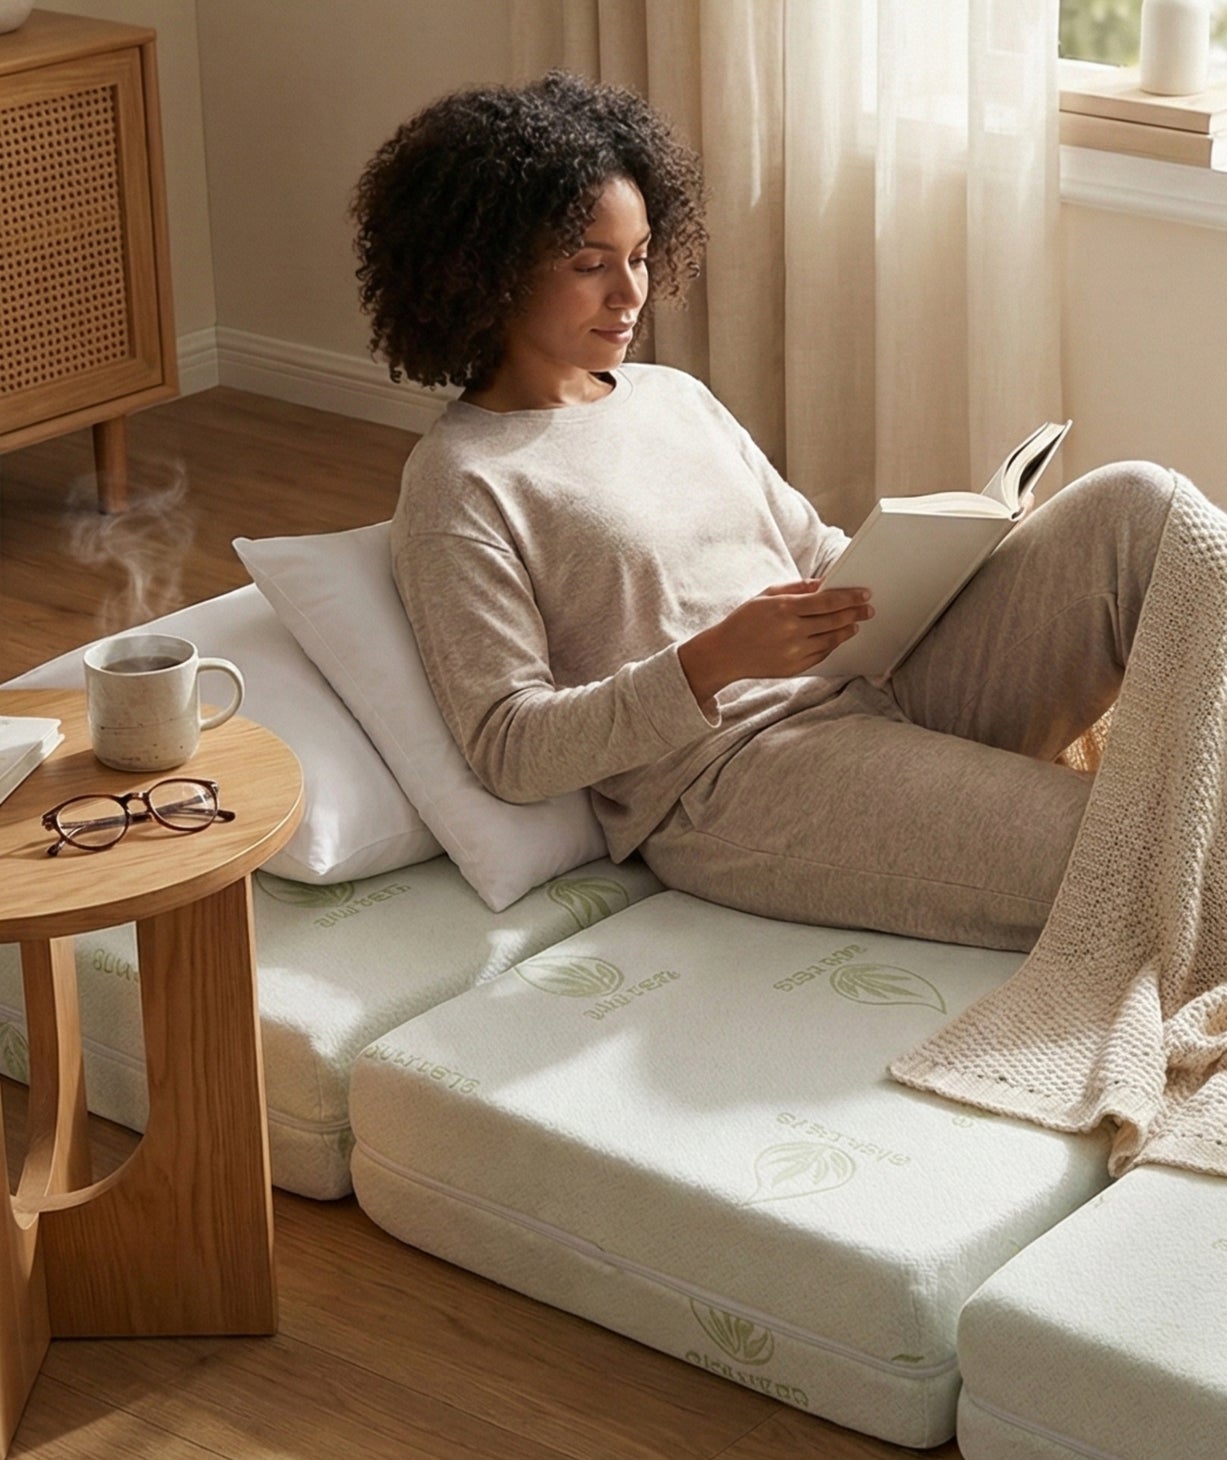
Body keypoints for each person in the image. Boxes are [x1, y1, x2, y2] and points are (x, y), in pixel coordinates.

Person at [353, 72, 1176, 951]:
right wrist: (708, 664)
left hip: (879, 684)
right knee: (1149, 850)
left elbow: (815, 551)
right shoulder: (460, 481)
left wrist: (953, 549)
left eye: (639, 256)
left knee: (1140, 504)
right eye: (590, 266)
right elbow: (509, 747)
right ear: (487, 272)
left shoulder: (671, 395)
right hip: (734, 780)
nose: (630, 295)